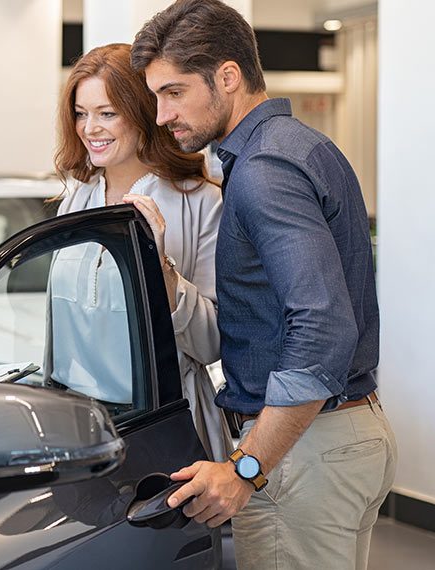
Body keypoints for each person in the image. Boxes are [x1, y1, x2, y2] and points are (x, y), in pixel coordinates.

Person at [131, 1, 396, 567]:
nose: (160, 114)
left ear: (227, 76)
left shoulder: (263, 170)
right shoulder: (301, 145)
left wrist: (246, 466)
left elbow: (323, 326)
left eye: (173, 92)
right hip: (345, 435)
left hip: (302, 452)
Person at [50, 43, 232, 462]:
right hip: (80, 431)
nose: (90, 128)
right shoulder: (76, 201)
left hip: (163, 425)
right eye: (81, 113)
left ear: (144, 112)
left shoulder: (201, 203)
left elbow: (212, 344)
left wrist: (162, 271)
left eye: (107, 113)